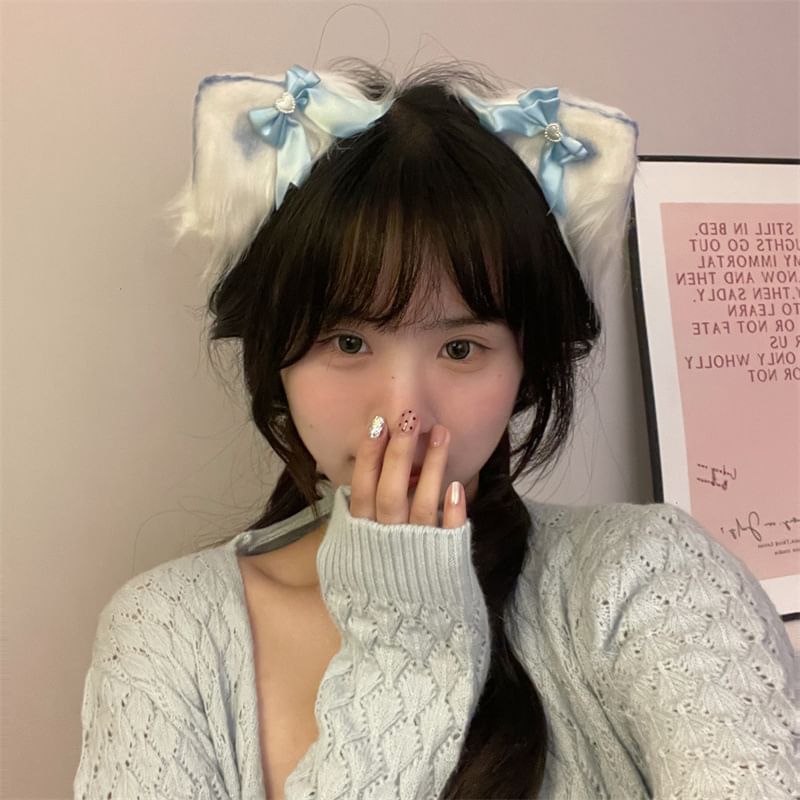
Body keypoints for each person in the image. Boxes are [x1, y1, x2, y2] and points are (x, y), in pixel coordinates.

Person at [74, 59, 797, 799]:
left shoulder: (649, 578)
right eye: (348, 342)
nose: (404, 413)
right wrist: (405, 652)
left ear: (526, 366)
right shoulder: (165, 634)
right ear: (276, 360)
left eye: (460, 349)